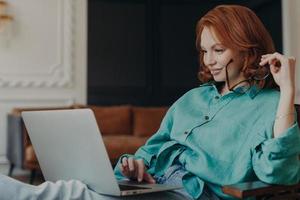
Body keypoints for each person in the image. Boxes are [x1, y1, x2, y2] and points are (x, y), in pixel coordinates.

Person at [0, 4, 299, 200]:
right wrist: (136, 164)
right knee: (83, 189)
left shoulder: (269, 105)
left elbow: (279, 174)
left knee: (76, 194)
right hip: (155, 185)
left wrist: (287, 91)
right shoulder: (192, 99)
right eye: (204, 51)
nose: (209, 61)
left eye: (218, 50)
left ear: (248, 50)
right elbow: (150, 149)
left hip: (189, 193)